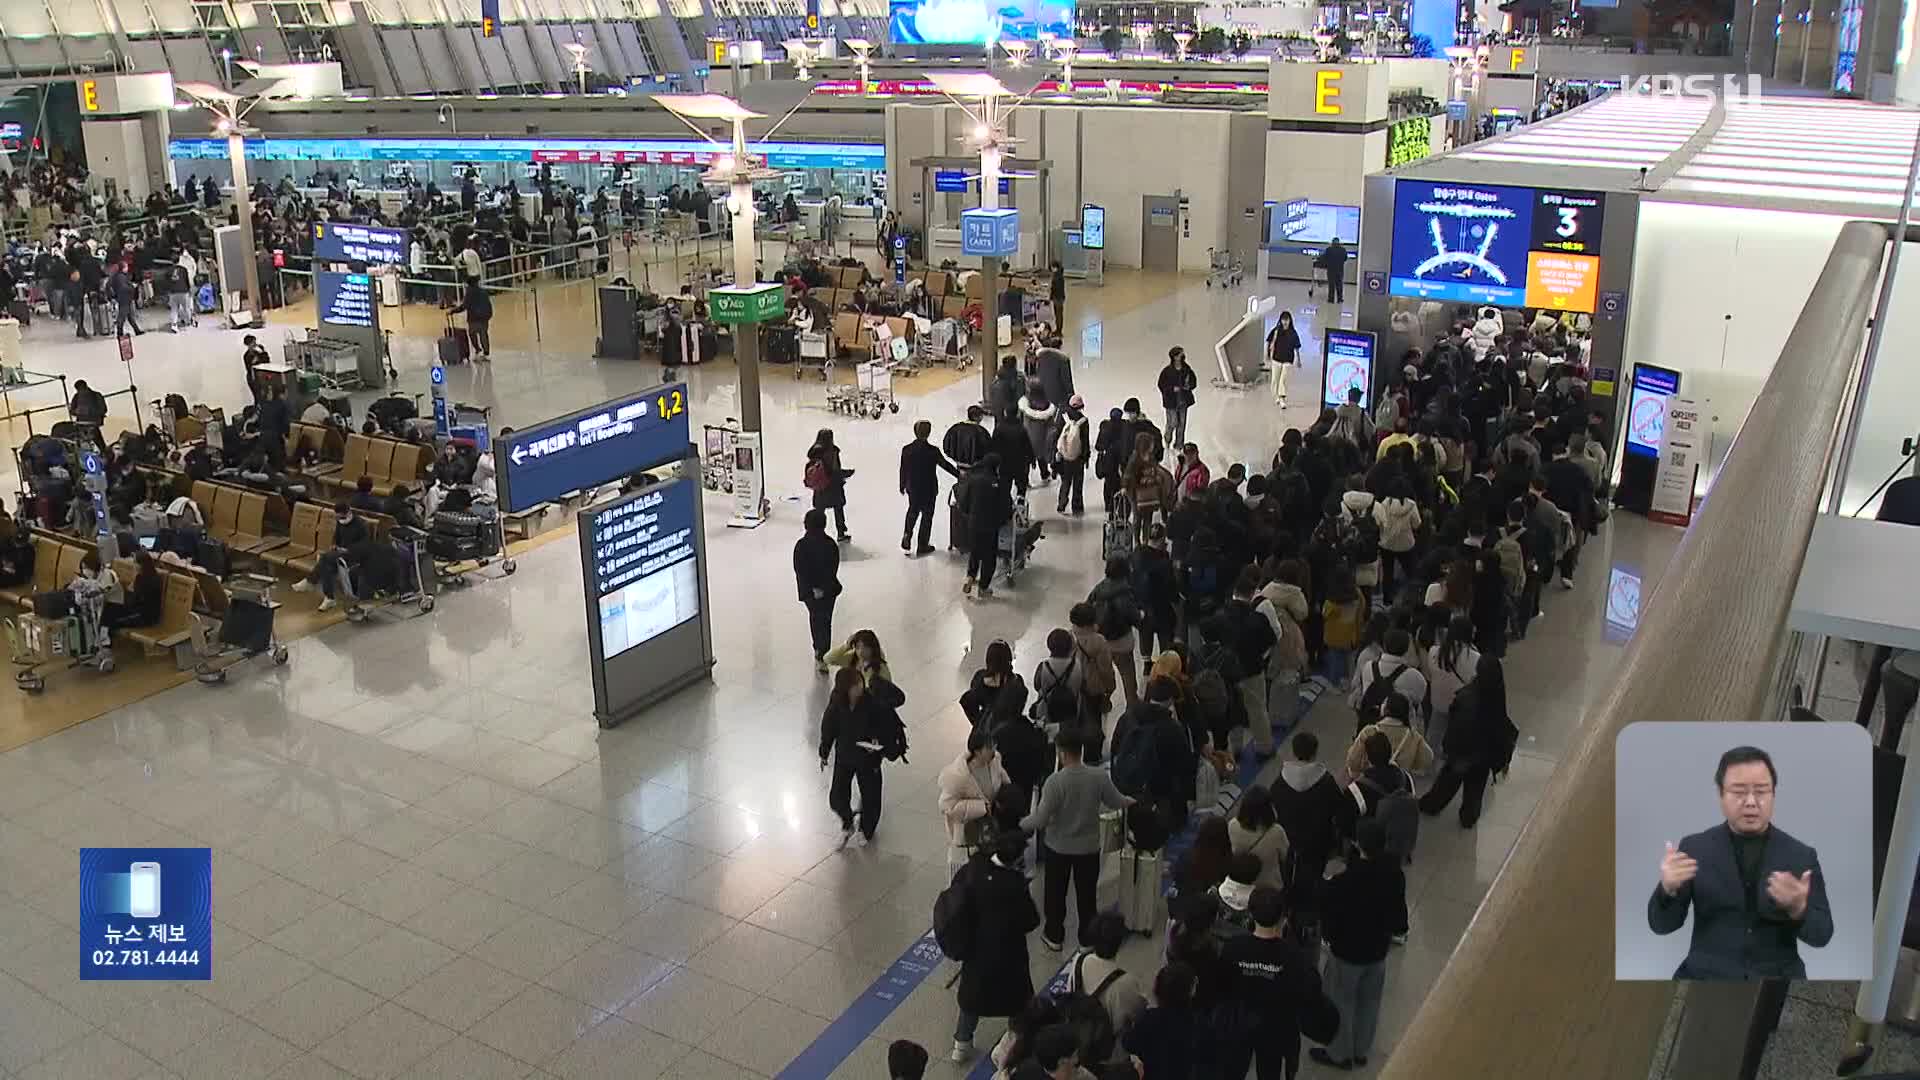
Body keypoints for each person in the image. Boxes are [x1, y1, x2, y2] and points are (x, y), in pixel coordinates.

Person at [1647, 746, 1835, 979]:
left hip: (1775, 982)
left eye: (1761, 791)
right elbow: (1662, 926)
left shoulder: (1801, 855)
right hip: (1705, 976)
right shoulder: (1695, 848)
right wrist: (1667, 889)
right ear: (1720, 794)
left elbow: (1823, 935)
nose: (1751, 802)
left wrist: (1799, 908)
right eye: (1738, 792)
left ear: (1773, 794)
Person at [1020, 730, 1133, 952]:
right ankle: (1086, 939)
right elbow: (1116, 801)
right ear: (1081, 750)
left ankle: (1054, 936)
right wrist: (1132, 801)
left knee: (1055, 894)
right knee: (1087, 895)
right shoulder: (1098, 776)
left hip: (1058, 848)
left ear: (1061, 753)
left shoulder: (1054, 782)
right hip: (1089, 848)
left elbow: (1041, 819)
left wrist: (1019, 824)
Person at [1312, 819, 1408, 1071]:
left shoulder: (1343, 882)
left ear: (1356, 843)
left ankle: (1339, 1053)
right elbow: (1399, 916)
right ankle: (1361, 1050)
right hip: (1377, 951)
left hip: (1346, 953)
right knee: (1370, 1001)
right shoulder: (1394, 874)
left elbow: (1328, 913)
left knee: (1340, 1001)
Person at [951, 831, 1042, 1062]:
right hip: (1009, 954)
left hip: (977, 951)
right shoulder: (1015, 884)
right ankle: (1015, 1038)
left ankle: (961, 1043)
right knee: (1017, 998)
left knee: (972, 997)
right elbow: (1031, 920)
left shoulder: (973, 870)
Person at [1217, 885, 1324, 1080]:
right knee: (1270, 1071)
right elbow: (1310, 990)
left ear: (1251, 913)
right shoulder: (1294, 956)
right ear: (1283, 916)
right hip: (1276, 1028)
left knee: (1233, 1070)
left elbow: (1223, 986)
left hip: (1240, 1024)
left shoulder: (1233, 948)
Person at [1421, 653, 1515, 828]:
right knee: (1475, 789)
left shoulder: (1467, 697)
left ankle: (1431, 805)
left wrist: (1448, 748)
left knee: (1447, 783)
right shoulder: (1497, 691)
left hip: (1463, 753)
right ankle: (1468, 818)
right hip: (1484, 754)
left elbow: (1455, 728)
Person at [818, 666, 906, 847]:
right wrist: (824, 751)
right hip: (845, 756)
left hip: (868, 758)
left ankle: (866, 829)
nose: (860, 687)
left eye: (860, 683)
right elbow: (828, 727)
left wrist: (878, 745)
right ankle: (848, 823)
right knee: (837, 797)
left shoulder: (872, 703)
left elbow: (884, 726)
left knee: (871, 796)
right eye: (855, 685)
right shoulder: (836, 704)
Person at [1071, 912, 1148, 1055]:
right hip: (1108, 1047)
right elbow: (1137, 1013)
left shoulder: (1079, 961)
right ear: (1120, 942)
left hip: (1079, 1032)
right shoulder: (1126, 982)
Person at [940, 727, 1012, 867]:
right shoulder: (958, 776)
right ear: (977, 752)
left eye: (994, 745)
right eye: (989, 747)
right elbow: (947, 807)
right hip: (969, 834)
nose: (994, 749)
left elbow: (1003, 779)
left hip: (991, 830)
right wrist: (981, 808)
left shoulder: (995, 759)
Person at [1121, 963, 1206, 1080]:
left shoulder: (1149, 1019)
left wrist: (1127, 1026)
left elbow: (1128, 1044)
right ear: (1191, 992)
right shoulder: (1199, 1023)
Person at [290, 502, 368, 611]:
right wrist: (334, 544)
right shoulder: (340, 521)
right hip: (338, 554)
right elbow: (336, 536)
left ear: (349, 512)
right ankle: (329, 597)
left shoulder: (361, 525)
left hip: (353, 556)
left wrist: (347, 549)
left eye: (342, 517)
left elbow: (364, 545)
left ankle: (311, 582)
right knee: (327, 566)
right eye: (338, 517)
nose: (341, 519)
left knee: (325, 558)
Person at [1087, 557, 1143, 709]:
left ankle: (1104, 700)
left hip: (1101, 640)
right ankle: (1132, 703)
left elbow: (1088, 607)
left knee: (1104, 673)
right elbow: (1134, 617)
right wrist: (1141, 617)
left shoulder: (1099, 588)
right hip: (1121, 641)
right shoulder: (1124, 592)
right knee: (1127, 674)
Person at [792, 508, 842, 671]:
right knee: (826, 620)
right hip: (829, 591)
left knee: (815, 618)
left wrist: (812, 589)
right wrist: (824, 588)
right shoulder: (830, 544)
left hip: (810, 593)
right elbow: (833, 568)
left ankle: (819, 649)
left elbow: (800, 570)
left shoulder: (801, 546)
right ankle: (823, 651)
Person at [900, 419, 959, 555]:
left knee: (912, 511)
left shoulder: (907, 449)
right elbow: (945, 465)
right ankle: (922, 545)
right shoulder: (933, 451)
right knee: (927, 516)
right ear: (928, 433)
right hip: (929, 488)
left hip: (913, 487)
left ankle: (907, 534)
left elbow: (903, 469)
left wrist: (902, 484)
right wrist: (960, 475)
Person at [965, 454, 1013, 599]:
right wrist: (1004, 520)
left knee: (975, 551)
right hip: (990, 526)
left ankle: (970, 576)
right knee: (988, 557)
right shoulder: (999, 483)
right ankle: (983, 588)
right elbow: (1006, 506)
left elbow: (964, 500)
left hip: (974, 522)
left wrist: (970, 514)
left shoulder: (973, 479)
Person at [1228, 785, 1290, 892]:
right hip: (1270, 888)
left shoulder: (1232, 825)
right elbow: (1286, 857)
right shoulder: (1276, 832)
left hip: (1243, 885)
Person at [961, 639, 1028, 730]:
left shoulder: (979, 678)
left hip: (987, 727)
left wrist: (978, 721)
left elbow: (966, 701)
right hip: (1009, 729)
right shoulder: (1016, 682)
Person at [806, 429, 852, 542]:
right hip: (832, 487)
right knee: (838, 509)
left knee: (819, 510)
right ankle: (841, 533)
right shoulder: (832, 452)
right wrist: (846, 473)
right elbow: (834, 470)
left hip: (820, 488)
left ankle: (815, 532)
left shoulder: (813, 453)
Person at [1054, 395, 1090, 516]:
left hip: (1064, 456)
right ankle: (1077, 506)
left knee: (1065, 482)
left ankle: (1061, 504)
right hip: (1078, 457)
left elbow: (1057, 435)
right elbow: (1085, 441)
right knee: (1077, 483)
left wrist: (1057, 452)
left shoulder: (1063, 418)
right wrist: (1086, 457)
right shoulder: (1084, 421)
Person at [1157, 347, 1198, 450]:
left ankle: (1179, 445)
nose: (1182, 355)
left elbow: (1193, 382)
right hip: (1171, 402)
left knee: (1182, 424)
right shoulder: (1167, 371)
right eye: (1180, 354)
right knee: (1172, 423)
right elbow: (1161, 385)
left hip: (1183, 401)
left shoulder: (1187, 369)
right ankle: (1167, 440)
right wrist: (1171, 389)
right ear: (1175, 357)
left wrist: (1189, 386)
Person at [1019, 381, 1059, 485]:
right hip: (1042, 438)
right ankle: (1045, 475)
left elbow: (1020, 419)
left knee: (1026, 460)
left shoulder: (1025, 406)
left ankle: (1025, 481)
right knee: (1042, 458)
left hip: (1028, 437)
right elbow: (1052, 424)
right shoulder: (1047, 405)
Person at [824, 627, 892, 686]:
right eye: (858, 647)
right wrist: (846, 646)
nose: (861, 651)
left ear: (872, 648)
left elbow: (887, 693)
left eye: (865, 648)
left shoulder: (881, 668)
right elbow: (827, 659)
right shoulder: (851, 658)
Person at [449, 274, 493, 361]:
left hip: (474, 318)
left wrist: (453, 311)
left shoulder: (469, 293)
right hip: (484, 317)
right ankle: (486, 353)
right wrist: (489, 314)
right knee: (483, 335)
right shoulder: (483, 291)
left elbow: (464, 306)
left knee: (473, 334)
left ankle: (478, 350)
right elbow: (488, 304)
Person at [1267, 310, 1302, 405]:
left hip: (1288, 359)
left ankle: (1282, 397)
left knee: (1283, 379)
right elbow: (1269, 341)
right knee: (1275, 379)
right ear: (1281, 320)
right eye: (1283, 320)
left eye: (1287, 320)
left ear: (1290, 320)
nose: (1285, 322)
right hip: (1276, 358)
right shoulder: (1276, 331)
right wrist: (1268, 355)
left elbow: (1297, 347)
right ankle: (1276, 396)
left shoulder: (1293, 333)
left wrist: (1298, 360)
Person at [107, 259, 142, 336]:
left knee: (130, 316)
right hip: (124, 298)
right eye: (126, 267)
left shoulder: (119, 276)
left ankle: (137, 330)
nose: (127, 268)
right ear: (123, 268)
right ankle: (120, 332)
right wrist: (132, 287)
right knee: (122, 316)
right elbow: (123, 287)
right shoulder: (120, 277)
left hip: (125, 298)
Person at [1317, 237, 1349, 304]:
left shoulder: (1329, 249)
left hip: (1331, 270)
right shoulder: (1343, 250)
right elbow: (1345, 258)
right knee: (1339, 285)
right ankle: (1339, 299)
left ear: (1332, 243)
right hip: (1340, 270)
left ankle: (1331, 299)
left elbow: (1324, 257)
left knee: (1331, 285)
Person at [1049, 260, 1067, 326]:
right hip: (1060, 297)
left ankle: (1059, 331)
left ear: (1054, 267)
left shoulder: (1057, 276)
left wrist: (1051, 295)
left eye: (1052, 267)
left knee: (1058, 315)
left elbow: (1055, 288)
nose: (1051, 269)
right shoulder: (1059, 275)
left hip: (1057, 298)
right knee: (1058, 315)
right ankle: (1058, 330)